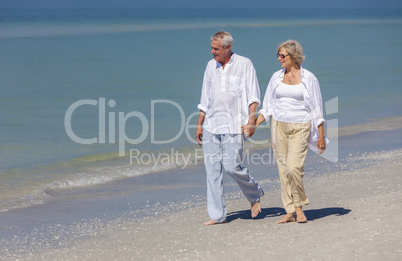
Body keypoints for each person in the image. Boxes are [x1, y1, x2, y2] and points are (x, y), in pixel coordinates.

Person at [244, 40, 327, 224]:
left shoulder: (309, 78)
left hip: (301, 126)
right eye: (278, 55)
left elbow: (317, 109)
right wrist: (253, 125)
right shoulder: (276, 77)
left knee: (294, 168)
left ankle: (298, 207)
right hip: (279, 126)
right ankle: (290, 211)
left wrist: (321, 135)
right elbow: (268, 108)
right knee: (283, 170)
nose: (279, 59)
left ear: (294, 56)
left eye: (283, 55)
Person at [196, 31, 264, 226]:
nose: (212, 52)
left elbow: (253, 96)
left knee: (232, 166)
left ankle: (254, 193)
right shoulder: (211, 66)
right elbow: (205, 98)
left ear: (228, 48)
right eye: (212, 48)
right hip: (211, 125)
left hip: (235, 124)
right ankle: (218, 216)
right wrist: (199, 124)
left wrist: (251, 120)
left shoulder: (245, 64)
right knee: (212, 171)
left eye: (216, 49)